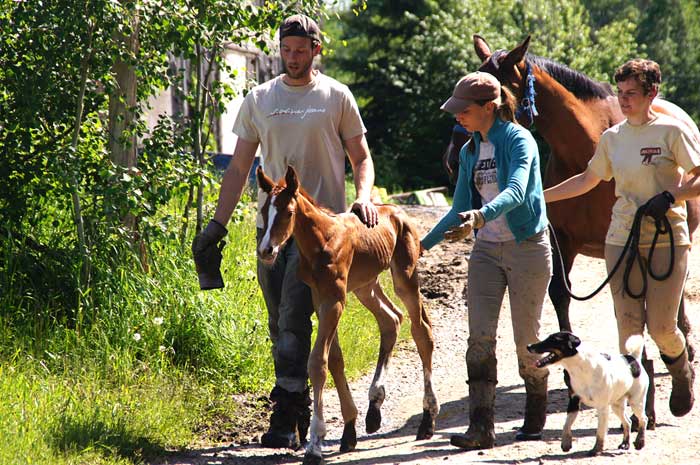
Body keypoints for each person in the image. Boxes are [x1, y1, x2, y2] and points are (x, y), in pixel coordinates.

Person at [191, 14, 379, 450]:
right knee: (278, 320)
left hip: (322, 230)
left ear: (317, 49)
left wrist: (364, 197)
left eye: (301, 50)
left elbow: (361, 157)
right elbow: (239, 167)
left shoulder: (336, 96)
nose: (293, 58)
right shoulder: (260, 98)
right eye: (287, 50)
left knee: (295, 317)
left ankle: (288, 409)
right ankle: (295, 403)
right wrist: (218, 225)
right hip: (272, 224)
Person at [544, 58, 700, 417]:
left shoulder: (671, 132)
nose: (623, 100)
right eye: (620, 92)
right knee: (629, 330)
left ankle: (680, 370)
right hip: (622, 238)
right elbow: (586, 180)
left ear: (652, 93)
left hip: (667, 237)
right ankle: (641, 407)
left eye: (631, 93)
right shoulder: (612, 139)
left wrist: (672, 196)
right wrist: (539, 194)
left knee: (662, 328)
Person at [421, 71, 553, 449]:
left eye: (465, 110)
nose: (458, 116)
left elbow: (515, 190)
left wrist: (480, 218)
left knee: (528, 340)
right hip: (485, 252)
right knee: (478, 338)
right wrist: (419, 247)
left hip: (527, 246)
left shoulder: (519, 141)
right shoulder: (469, 150)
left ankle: (535, 413)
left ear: (489, 108)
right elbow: (458, 209)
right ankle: (481, 427)